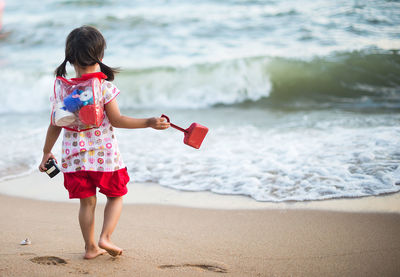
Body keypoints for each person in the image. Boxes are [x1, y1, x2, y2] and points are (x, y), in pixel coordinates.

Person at [39, 25, 170, 259]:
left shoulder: (63, 92)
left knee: (86, 204)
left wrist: (46, 152)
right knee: (116, 196)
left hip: (75, 160)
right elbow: (118, 120)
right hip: (105, 157)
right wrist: (149, 122)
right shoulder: (104, 88)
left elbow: (54, 125)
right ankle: (105, 237)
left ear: (70, 58)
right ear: (100, 56)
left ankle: (90, 248)